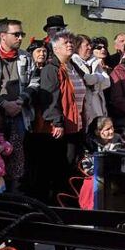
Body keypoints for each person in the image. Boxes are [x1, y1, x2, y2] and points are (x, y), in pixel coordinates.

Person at [0, 18, 36, 192]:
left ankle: (12, 197)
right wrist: (3, 103)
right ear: (3, 36)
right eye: (16, 34)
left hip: (19, 114)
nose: (20, 38)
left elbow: (34, 82)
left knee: (15, 157)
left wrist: (21, 100)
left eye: (22, 34)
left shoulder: (25, 58)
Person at [38, 31, 87, 195]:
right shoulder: (51, 69)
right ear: (56, 48)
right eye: (65, 43)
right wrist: (57, 122)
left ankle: (67, 200)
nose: (70, 44)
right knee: (60, 166)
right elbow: (50, 98)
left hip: (76, 124)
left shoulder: (74, 67)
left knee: (72, 164)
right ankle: (56, 202)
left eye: (71, 42)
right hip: (61, 127)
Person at [72, 34, 111, 129]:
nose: (90, 47)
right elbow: (86, 80)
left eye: (90, 45)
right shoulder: (73, 63)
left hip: (98, 105)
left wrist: (94, 82)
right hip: (82, 106)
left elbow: (107, 82)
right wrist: (98, 78)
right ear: (78, 47)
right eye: (86, 45)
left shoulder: (95, 62)